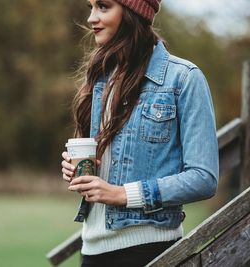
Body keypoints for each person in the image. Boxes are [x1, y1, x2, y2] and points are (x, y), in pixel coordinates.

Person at [61, 0, 219, 266]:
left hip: (150, 251)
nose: (91, 18)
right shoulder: (100, 79)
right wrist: (78, 168)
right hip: (92, 250)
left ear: (135, 11)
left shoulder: (184, 78)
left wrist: (122, 194)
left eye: (103, 6)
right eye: (91, 7)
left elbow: (203, 178)